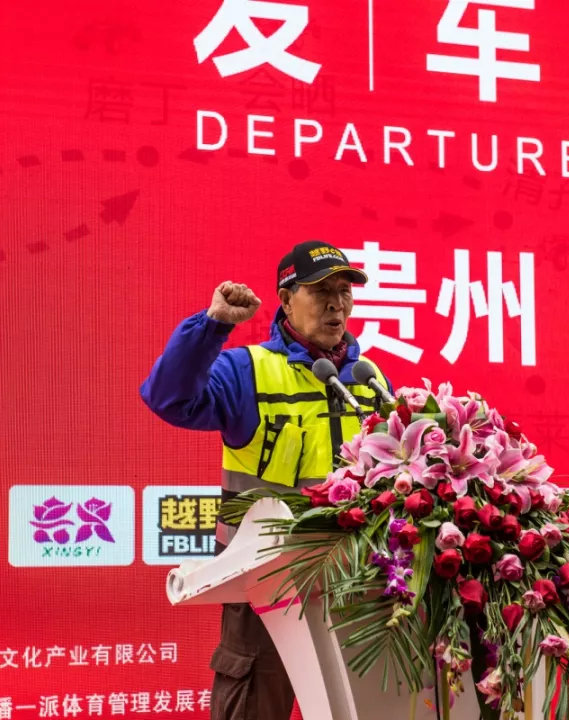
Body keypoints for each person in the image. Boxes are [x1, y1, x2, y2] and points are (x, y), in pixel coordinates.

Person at [140, 240, 393, 720]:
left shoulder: (368, 376)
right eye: (320, 292)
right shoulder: (249, 369)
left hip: (352, 581)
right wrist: (213, 327)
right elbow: (168, 398)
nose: (336, 303)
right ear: (286, 298)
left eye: (344, 291)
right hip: (265, 585)